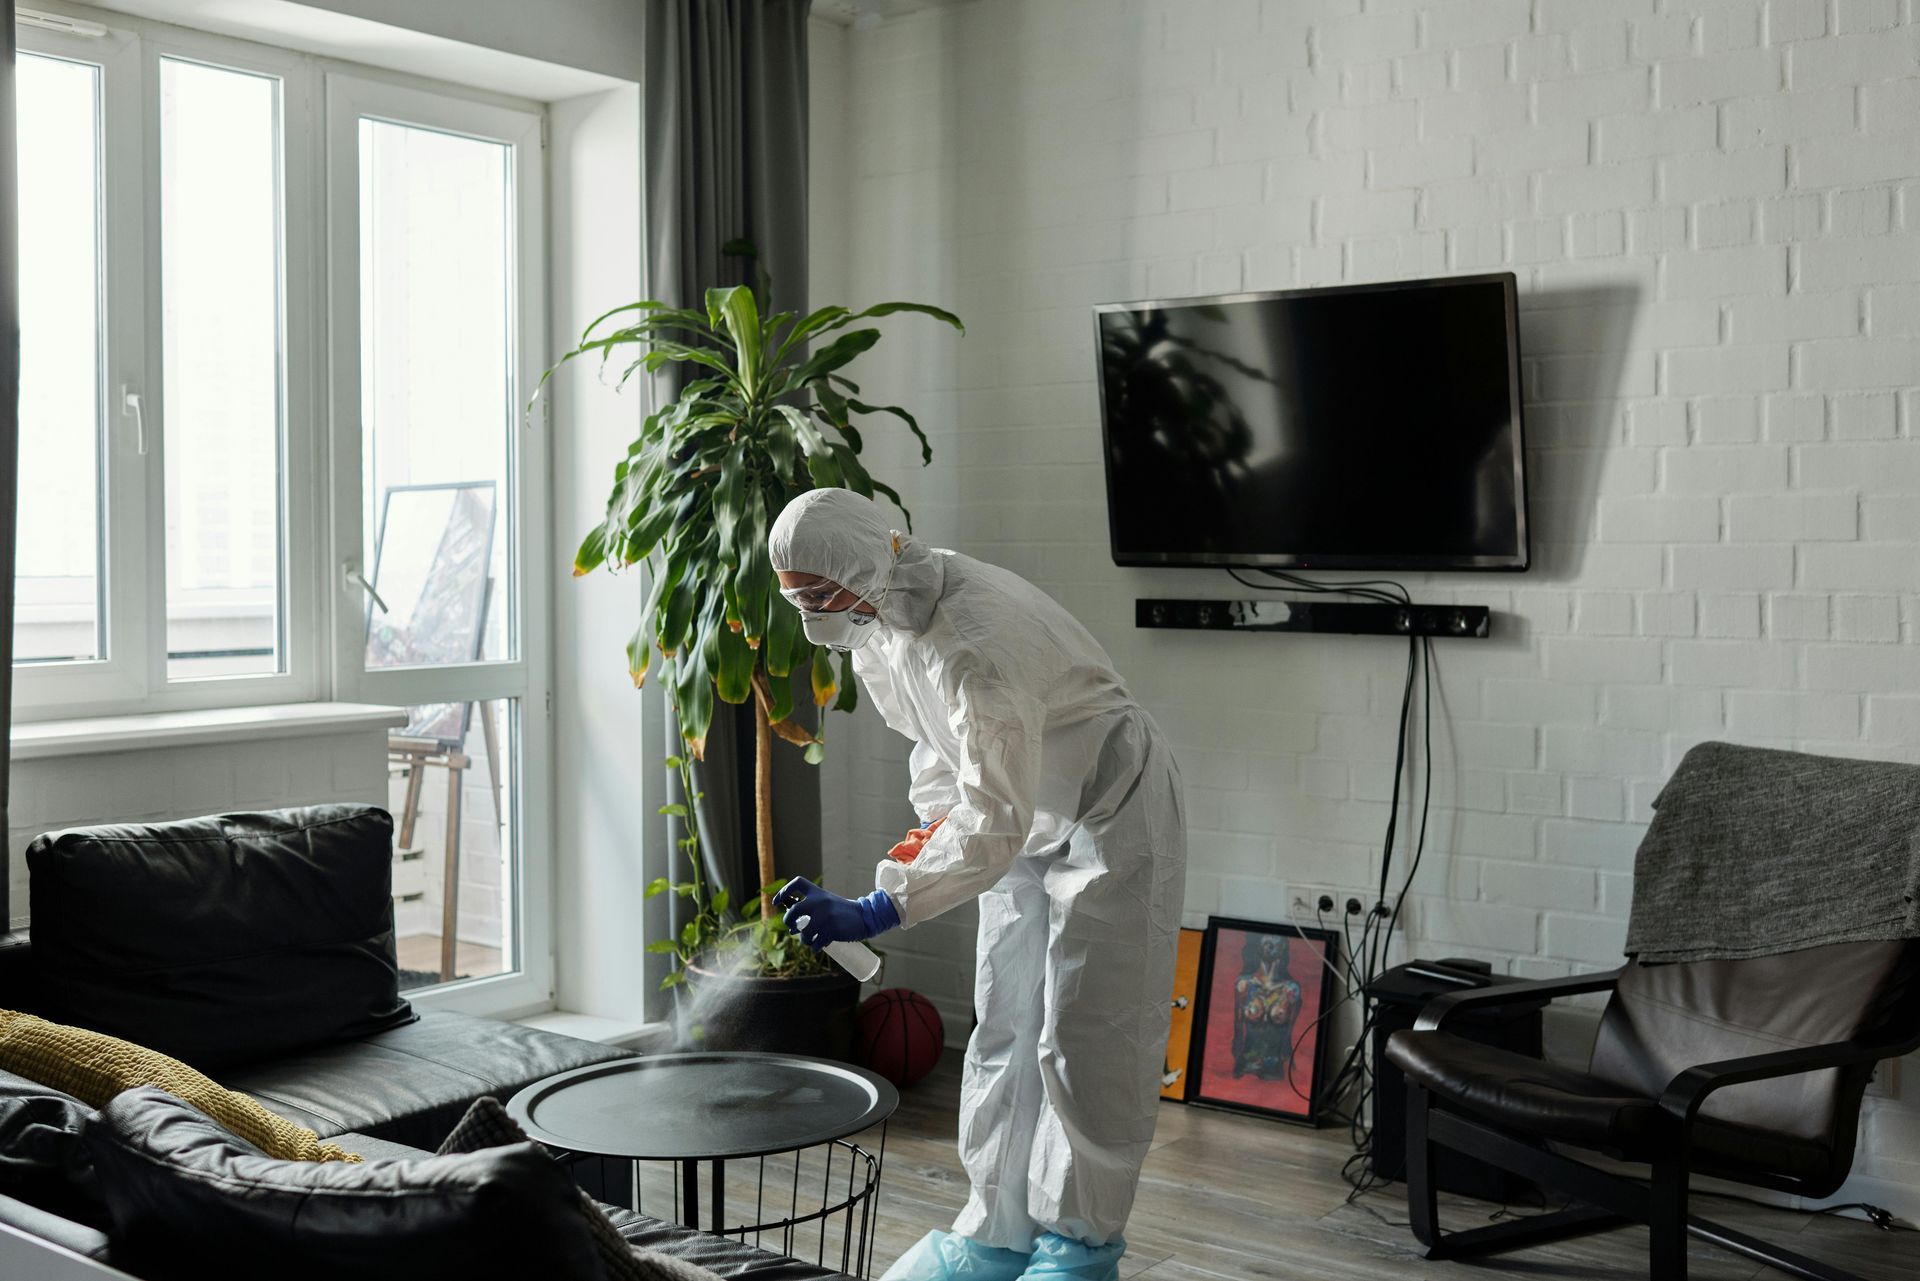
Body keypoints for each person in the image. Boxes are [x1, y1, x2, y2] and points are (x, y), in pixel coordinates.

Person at [766, 488, 1187, 1281]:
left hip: (1110, 806)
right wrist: (927, 835)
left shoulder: (972, 640)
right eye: (798, 598)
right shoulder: (879, 623)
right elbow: (938, 747)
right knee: (1004, 1020)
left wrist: (880, 904)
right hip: (1024, 817)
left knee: (1086, 1036)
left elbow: (991, 816)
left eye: (819, 594)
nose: (812, 612)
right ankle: (995, 1234)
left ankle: (1076, 1249)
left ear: (862, 561)